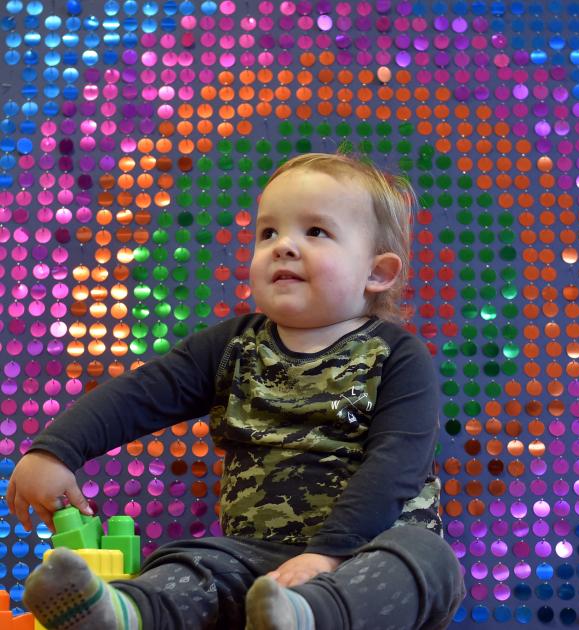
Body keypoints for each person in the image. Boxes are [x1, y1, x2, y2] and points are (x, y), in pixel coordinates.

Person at [8, 152, 464, 630]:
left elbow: (396, 464)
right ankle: (123, 613)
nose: (284, 246)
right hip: (253, 561)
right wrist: (57, 450)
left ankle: (310, 615)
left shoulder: (396, 357)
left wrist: (327, 556)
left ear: (378, 273)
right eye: (268, 233)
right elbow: (142, 393)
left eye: (316, 232)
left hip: (364, 555)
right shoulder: (234, 346)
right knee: (193, 562)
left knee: (428, 561)